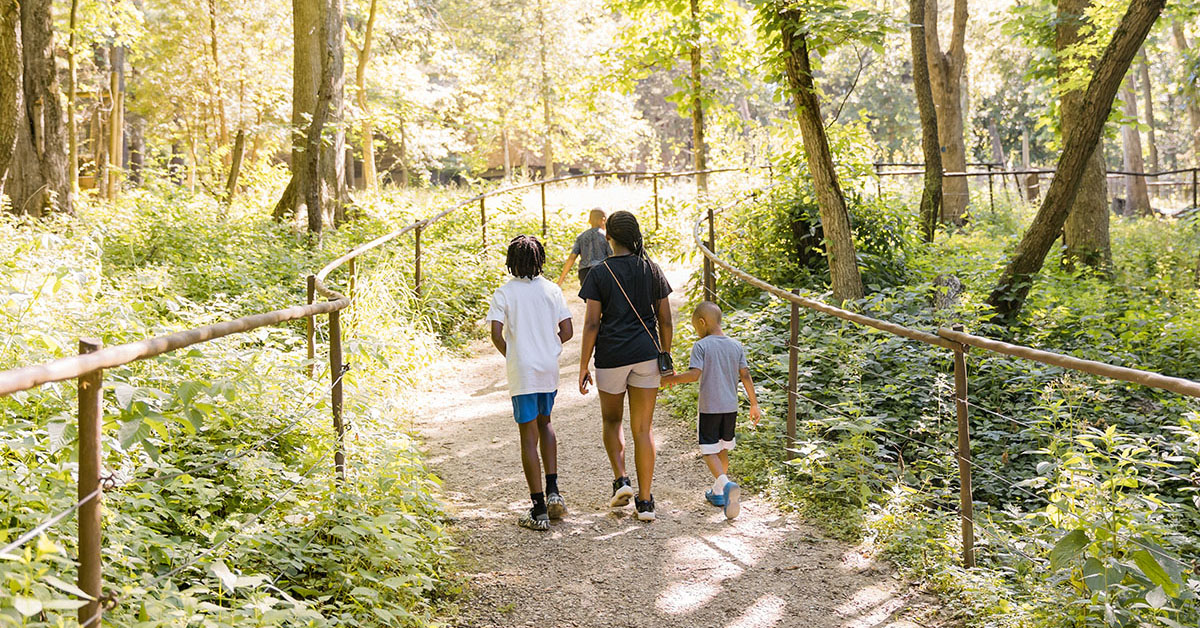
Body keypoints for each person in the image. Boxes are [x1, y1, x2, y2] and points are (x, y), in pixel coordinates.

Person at [577, 211, 672, 522]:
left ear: (608, 238)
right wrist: (665, 353)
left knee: (612, 421)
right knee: (643, 430)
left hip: (612, 358)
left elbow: (591, 324)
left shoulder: (599, 273)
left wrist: (582, 366)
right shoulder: (651, 269)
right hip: (646, 356)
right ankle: (645, 501)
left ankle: (621, 480)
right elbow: (666, 319)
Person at [487, 235, 574, 531]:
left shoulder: (504, 293)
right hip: (547, 366)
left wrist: (513, 355)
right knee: (546, 423)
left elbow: (496, 333)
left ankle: (537, 510)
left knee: (527, 434)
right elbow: (568, 329)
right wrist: (549, 347)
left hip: (523, 369)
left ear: (511, 262)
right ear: (541, 260)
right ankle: (553, 492)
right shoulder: (552, 290)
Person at [661, 301, 761, 520]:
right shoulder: (736, 345)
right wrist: (754, 403)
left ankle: (726, 485)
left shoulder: (702, 346)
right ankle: (718, 492)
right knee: (722, 447)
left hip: (710, 408)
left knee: (708, 450)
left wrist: (672, 379)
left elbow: (694, 374)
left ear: (702, 322)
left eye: (696, 327)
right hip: (730, 408)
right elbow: (745, 375)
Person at [557, 208, 613, 288]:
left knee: (589, 298)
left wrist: (561, 280)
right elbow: (611, 256)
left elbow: (572, 258)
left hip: (584, 273)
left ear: (589, 221)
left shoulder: (581, 237)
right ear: (603, 220)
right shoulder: (606, 236)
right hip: (602, 270)